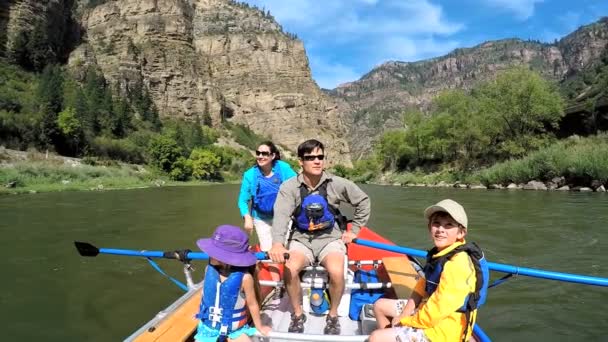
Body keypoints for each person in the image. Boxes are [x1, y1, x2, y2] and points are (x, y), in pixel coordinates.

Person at [268, 139, 371, 335]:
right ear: (300, 161)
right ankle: (298, 314)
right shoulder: (289, 188)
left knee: (337, 271)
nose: (317, 161)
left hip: (330, 238)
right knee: (289, 269)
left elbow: (363, 201)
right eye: (310, 158)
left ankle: (332, 316)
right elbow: (280, 216)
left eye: (320, 157)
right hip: (301, 238)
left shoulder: (338, 183)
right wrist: (278, 244)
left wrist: (354, 230)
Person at [369, 199, 486, 342]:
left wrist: (406, 321)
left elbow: (439, 309)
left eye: (448, 225)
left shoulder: (457, 264)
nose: (440, 229)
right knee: (380, 306)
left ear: (461, 233)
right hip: (429, 311)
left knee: (376, 338)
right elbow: (421, 287)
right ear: (429, 227)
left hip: (445, 331)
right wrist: (405, 313)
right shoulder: (440, 254)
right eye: (436, 223)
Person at [194, 225, 272, 342]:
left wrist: (259, 326)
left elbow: (252, 304)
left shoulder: (245, 278)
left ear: (224, 258)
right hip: (208, 329)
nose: (209, 254)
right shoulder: (208, 270)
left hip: (235, 331)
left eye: (212, 252)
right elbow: (207, 296)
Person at [238, 141, 297, 252]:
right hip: (261, 218)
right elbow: (242, 200)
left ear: (273, 156)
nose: (260, 156)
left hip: (283, 216)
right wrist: (247, 217)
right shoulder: (249, 174)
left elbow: (297, 186)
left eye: (264, 153)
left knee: (284, 248)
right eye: (258, 153)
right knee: (268, 251)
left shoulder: (283, 168)